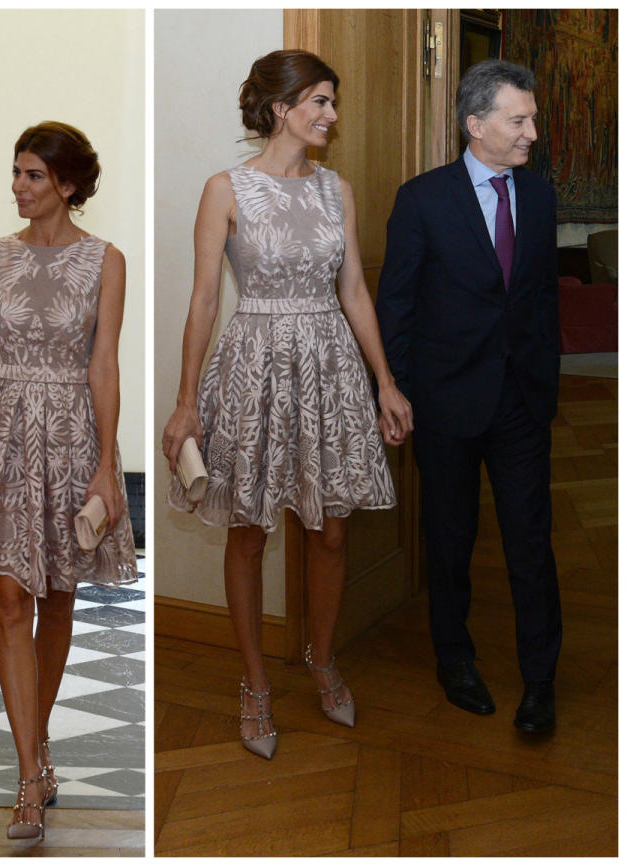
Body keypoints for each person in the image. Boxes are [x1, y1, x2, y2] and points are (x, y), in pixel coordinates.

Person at [161, 50, 412, 760]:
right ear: (282, 107)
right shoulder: (225, 188)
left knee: (331, 531)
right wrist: (185, 403)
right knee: (249, 532)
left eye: (332, 102)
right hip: (254, 366)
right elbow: (206, 298)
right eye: (321, 102)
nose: (332, 115)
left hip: (330, 367)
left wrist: (385, 383)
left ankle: (322, 659)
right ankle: (254, 684)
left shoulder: (337, 189)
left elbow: (354, 290)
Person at [0, 121, 138, 840]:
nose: (18, 187)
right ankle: (25, 775)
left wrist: (108, 464)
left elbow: (104, 364)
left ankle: (39, 745)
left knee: (58, 596)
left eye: (34, 176)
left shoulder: (106, 261)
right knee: (10, 600)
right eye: (16, 173)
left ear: (69, 185)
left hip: (71, 435)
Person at [376, 59, 561, 734]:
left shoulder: (538, 198)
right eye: (519, 119)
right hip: (446, 404)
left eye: (532, 118)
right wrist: (393, 392)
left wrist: (549, 381)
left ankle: (541, 681)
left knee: (530, 545)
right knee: (450, 542)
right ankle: (454, 660)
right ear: (475, 124)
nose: (532, 133)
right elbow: (395, 304)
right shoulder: (423, 199)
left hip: (521, 402)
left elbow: (541, 302)